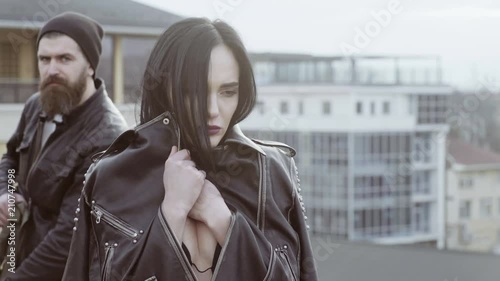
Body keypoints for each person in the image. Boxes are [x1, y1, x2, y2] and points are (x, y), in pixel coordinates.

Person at [63, 17, 317, 281]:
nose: (212, 110)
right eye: (194, 92)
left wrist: (224, 222)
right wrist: (172, 211)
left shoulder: (272, 171)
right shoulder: (110, 177)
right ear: (165, 90)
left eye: (227, 92)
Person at [0, 12, 128, 280]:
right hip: (16, 248)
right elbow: (10, 159)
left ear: (90, 65)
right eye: (44, 59)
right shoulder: (37, 104)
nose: (52, 69)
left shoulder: (108, 137)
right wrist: (5, 193)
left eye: (64, 59)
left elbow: (66, 240)